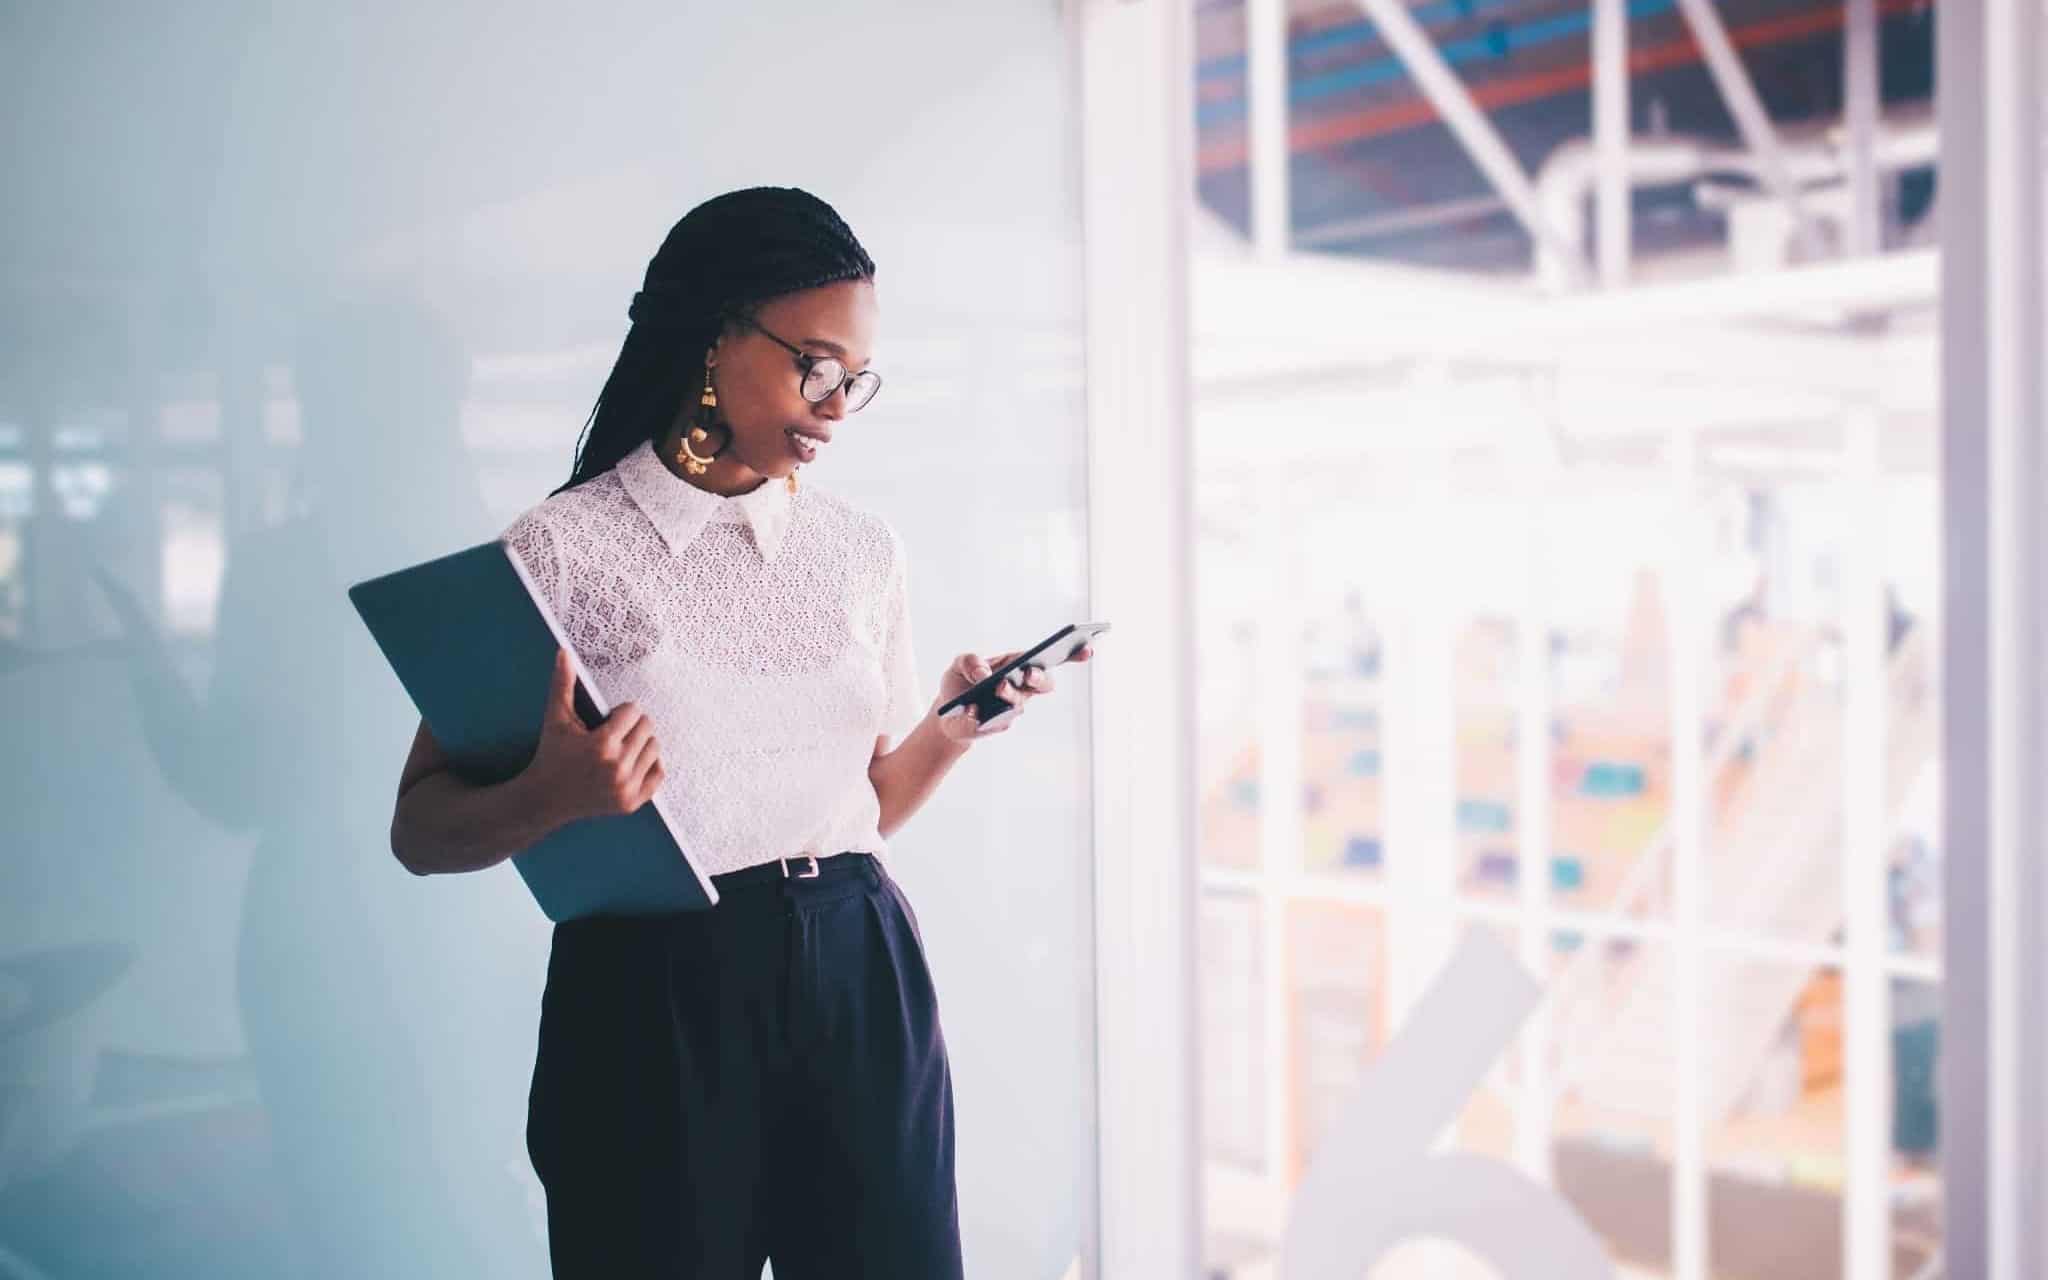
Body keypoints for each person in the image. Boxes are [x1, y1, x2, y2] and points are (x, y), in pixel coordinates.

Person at [386, 186, 1089, 1279]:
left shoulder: (862, 550)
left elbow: (863, 808)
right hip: (652, 991)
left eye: (855, 378)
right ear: (717, 333)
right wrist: (554, 795)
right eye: (816, 365)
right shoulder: (563, 548)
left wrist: (951, 729)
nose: (837, 405)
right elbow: (419, 830)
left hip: (859, 964)